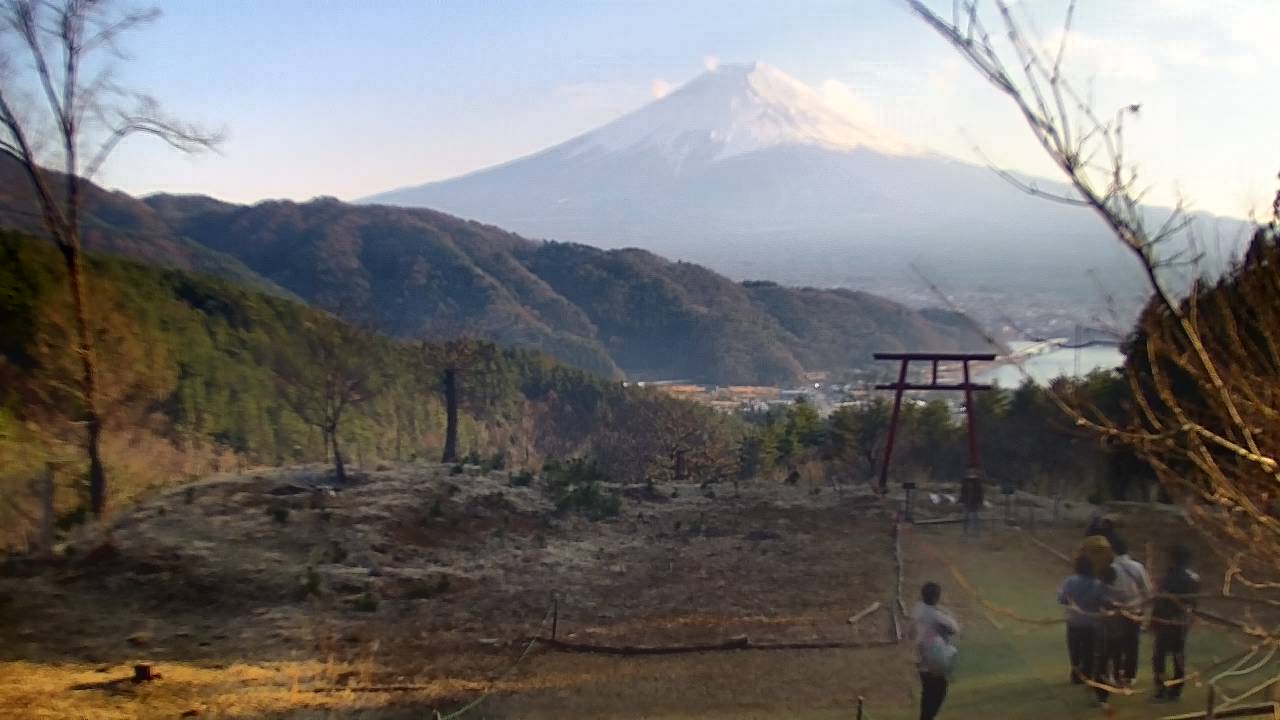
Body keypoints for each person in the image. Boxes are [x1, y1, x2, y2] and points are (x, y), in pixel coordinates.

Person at [1152, 545, 1201, 701]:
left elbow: (1159, 600)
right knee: (1178, 655)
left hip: (1165, 620)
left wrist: (1154, 619)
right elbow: (1194, 602)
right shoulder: (1193, 579)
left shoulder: (1167, 577)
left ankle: (1160, 688)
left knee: (1159, 656)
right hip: (1182, 621)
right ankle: (1176, 690)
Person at [1059, 555, 1107, 704]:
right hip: (1092, 624)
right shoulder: (1097, 583)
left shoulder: (1070, 581)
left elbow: (1062, 598)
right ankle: (1087, 673)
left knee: (1074, 649)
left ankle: (1076, 672)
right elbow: (1102, 601)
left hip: (1074, 622)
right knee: (1089, 650)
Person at [912, 581, 960, 720]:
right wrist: (945, 611)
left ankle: (925, 717)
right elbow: (954, 629)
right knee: (938, 692)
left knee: (927, 693)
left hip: (922, 660)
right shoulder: (937, 615)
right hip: (936, 661)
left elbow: (911, 632)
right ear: (936, 597)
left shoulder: (917, 610)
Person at [1111, 537, 1152, 685]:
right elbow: (1147, 590)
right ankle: (1130, 675)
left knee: (1115, 644)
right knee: (1132, 644)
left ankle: (1116, 674)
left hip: (1116, 612)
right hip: (1135, 610)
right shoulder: (1137, 567)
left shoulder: (1110, 568)